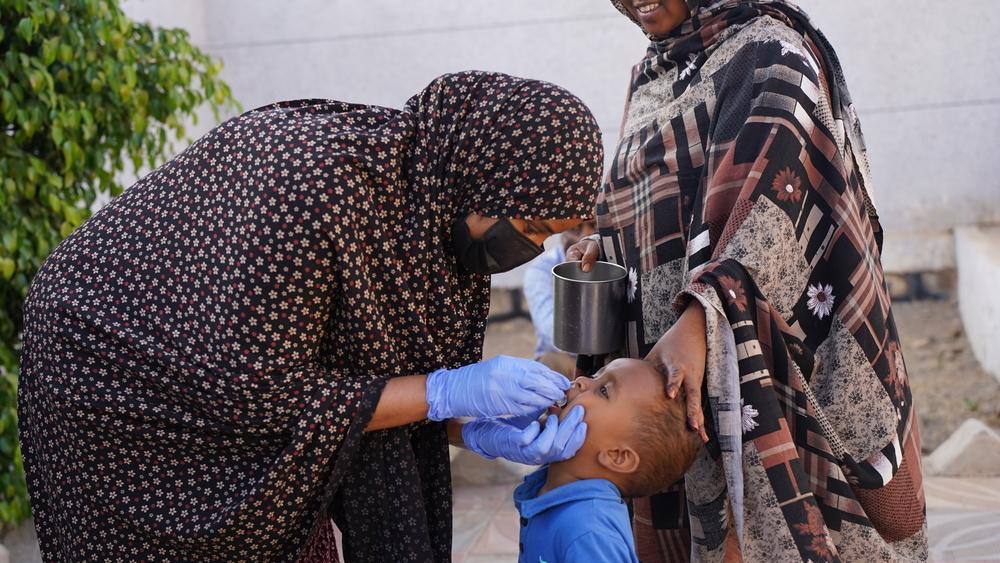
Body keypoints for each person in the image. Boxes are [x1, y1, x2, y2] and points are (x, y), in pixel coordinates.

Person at [17, 71, 604, 562]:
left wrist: (471, 424)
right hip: (113, 371)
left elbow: (377, 379)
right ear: (481, 173)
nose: (523, 248)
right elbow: (260, 393)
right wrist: (449, 392)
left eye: (546, 237)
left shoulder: (426, 210)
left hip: (234, 372)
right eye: (527, 227)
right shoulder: (319, 186)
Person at [567, 1, 928, 560]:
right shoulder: (652, 72)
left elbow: (780, 207)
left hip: (763, 347)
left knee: (770, 530)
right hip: (661, 364)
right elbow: (653, 196)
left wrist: (701, 317)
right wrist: (607, 238)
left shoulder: (771, 53)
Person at [456, 358, 702, 562]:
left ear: (617, 456)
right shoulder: (553, 493)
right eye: (596, 375)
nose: (582, 381)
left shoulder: (589, 533)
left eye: (603, 390)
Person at [522, 220, 596, 377]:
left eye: (595, 226)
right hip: (568, 357)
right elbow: (554, 334)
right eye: (575, 228)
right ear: (560, 230)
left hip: (604, 358)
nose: (585, 235)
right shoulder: (542, 270)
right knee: (550, 364)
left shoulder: (610, 259)